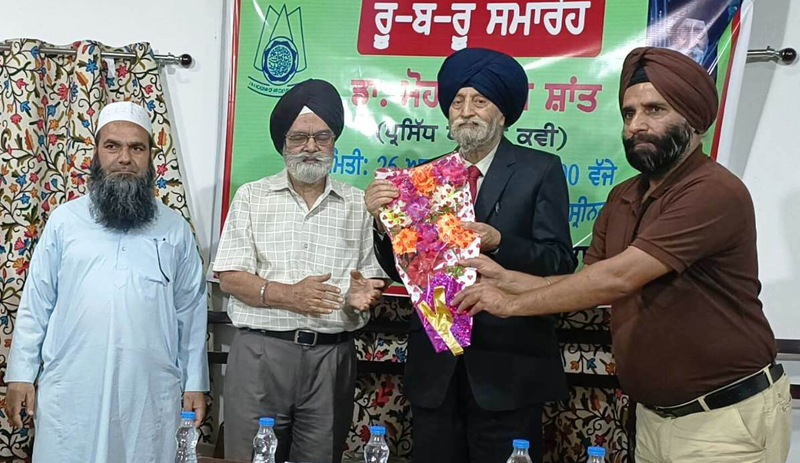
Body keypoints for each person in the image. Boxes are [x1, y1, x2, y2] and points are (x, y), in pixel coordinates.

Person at [454, 47, 791, 463]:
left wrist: (510, 303)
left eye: (655, 109)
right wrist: (505, 277)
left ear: (693, 120)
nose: (637, 126)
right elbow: (589, 282)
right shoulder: (624, 196)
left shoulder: (713, 191)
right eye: (629, 114)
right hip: (654, 419)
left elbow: (619, 279)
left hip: (722, 420)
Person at [366, 48, 576, 463]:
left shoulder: (541, 169)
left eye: (479, 100)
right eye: (458, 101)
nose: (466, 111)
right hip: (436, 368)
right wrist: (381, 224)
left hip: (508, 367)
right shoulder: (423, 179)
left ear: (504, 113)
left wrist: (499, 241)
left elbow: (560, 263)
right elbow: (404, 270)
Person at [5, 101, 209, 463]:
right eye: (112, 146)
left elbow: (190, 314)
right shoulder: (65, 221)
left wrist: (195, 383)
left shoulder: (174, 229)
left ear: (151, 157)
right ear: (96, 154)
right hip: (72, 388)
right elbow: (37, 303)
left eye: (137, 147)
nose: (124, 158)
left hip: (148, 393)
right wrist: (20, 375)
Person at [214, 79, 389, 463]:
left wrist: (364, 296)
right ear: (283, 144)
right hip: (261, 353)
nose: (310, 147)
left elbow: (370, 279)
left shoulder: (359, 204)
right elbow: (229, 276)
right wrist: (290, 295)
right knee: (249, 457)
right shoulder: (252, 196)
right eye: (299, 138)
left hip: (331, 360)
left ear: (334, 142)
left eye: (321, 137)